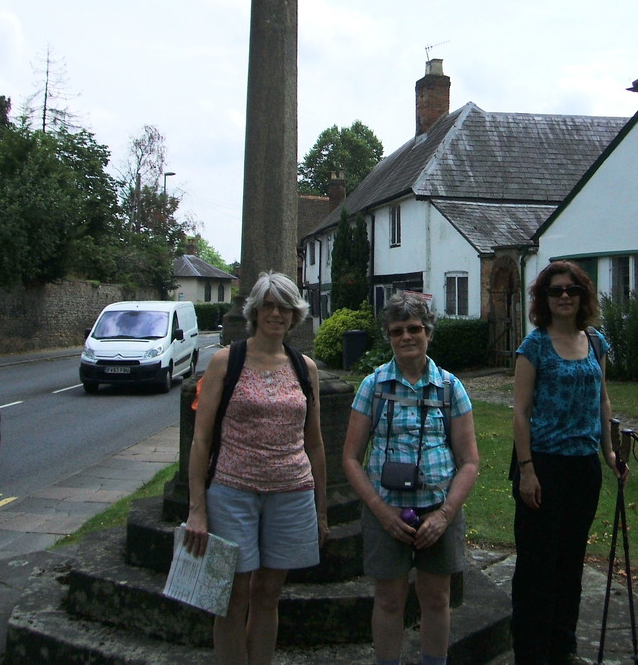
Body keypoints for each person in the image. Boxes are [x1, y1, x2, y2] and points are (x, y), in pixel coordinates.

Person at [183, 271, 328, 665]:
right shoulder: (225, 362)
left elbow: (314, 442)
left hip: (292, 493)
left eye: (284, 306)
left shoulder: (305, 368)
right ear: (255, 311)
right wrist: (197, 509)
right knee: (232, 597)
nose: (276, 313)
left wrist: (321, 508)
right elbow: (201, 441)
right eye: (268, 304)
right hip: (232, 492)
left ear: (295, 314)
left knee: (268, 595)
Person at [342, 293, 479, 665]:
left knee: (436, 599)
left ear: (428, 333)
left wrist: (446, 514)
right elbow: (351, 458)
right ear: (388, 336)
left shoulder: (450, 388)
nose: (407, 337)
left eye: (414, 328)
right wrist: (380, 511)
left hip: (439, 511)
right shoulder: (373, 386)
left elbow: (469, 461)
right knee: (388, 600)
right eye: (397, 330)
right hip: (386, 512)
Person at [511, 260, 627, 665]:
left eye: (571, 290)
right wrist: (526, 470)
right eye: (555, 290)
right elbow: (521, 412)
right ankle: (531, 651)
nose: (563, 296)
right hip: (542, 466)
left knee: (570, 561)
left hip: (583, 468)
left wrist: (609, 451)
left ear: (582, 295)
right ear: (544, 299)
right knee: (536, 565)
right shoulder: (534, 346)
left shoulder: (596, 342)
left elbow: (603, 398)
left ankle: (563, 647)